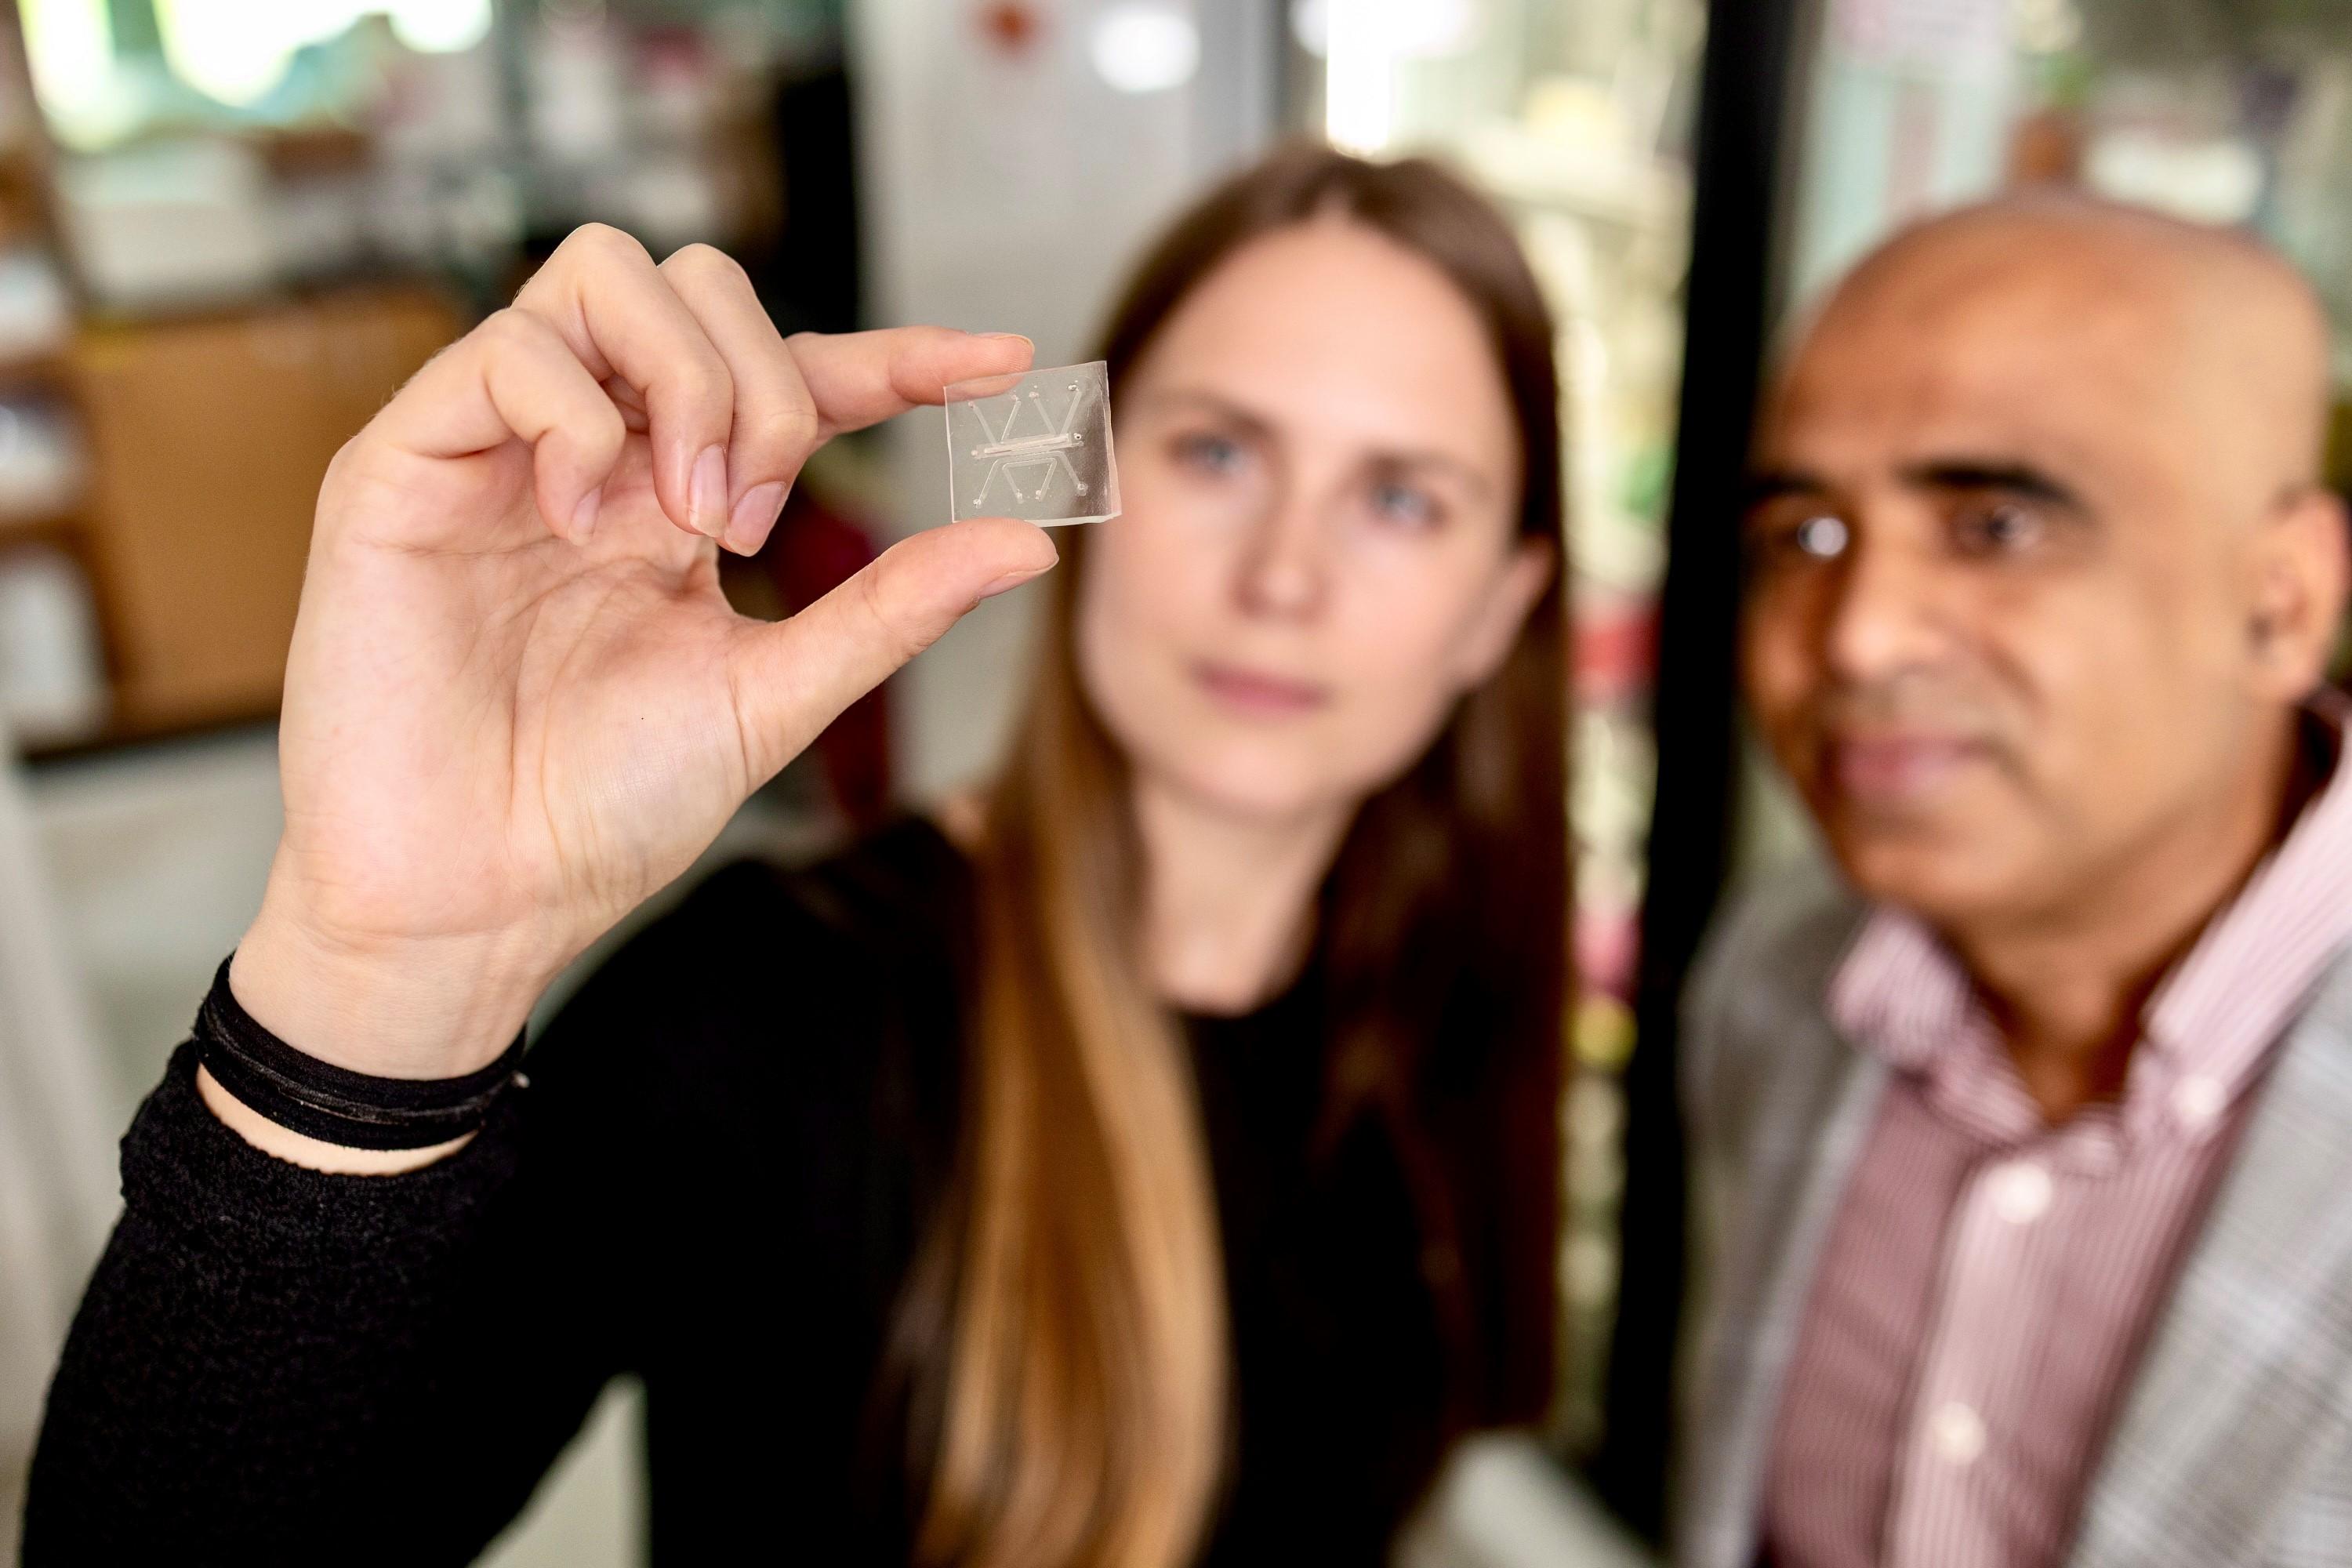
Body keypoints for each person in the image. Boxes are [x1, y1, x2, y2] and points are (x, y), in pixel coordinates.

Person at [23, 143, 1568, 1566]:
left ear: (1501, 605)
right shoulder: (775, 1012)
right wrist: (384, 963)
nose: (1285, 575)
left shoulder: (1445, 987)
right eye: (1218, 452)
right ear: (1078, 474)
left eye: (1400, 497)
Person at [1679, 193, 2352, 1568]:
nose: (1860, 637)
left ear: (2280, 603)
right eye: (1803, 538)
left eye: (1994, 529)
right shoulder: (1783, 980)